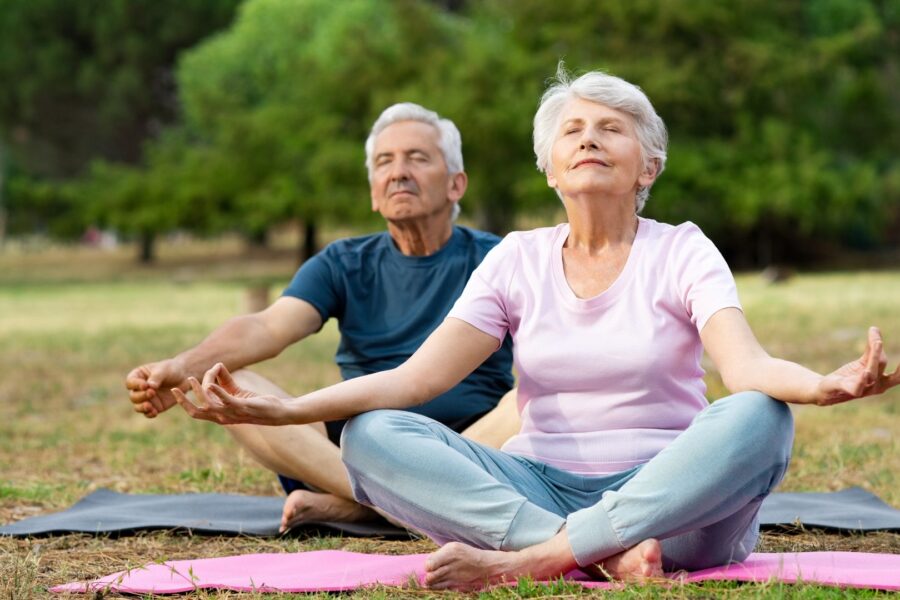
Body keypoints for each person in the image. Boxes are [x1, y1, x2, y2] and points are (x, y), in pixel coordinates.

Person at [172, 68, 900, 589]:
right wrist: (290, 409)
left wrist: (821, 384)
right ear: (550, 167)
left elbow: (744, 370)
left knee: (760, 417)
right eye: (572, 130)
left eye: (611, 128)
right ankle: (592, 551)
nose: (589, 139)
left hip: (673, 501)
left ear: (647, 163)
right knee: (373, 432)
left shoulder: (681, 248)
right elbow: (415, 381)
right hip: (538, 489)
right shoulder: (518, 258)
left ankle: (539, 561)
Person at [126, 102, 517, 531]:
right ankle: (399, 504)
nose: (398, 172)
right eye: (384, 162)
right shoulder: (343, 262)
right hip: (358, 447)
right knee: (228, 383)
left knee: (528, 402)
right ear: (373, 191)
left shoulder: (501, 258)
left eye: (418, 158)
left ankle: (361, 508)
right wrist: (182, 366)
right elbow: (268, 327)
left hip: (471, 443)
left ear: (456, 184)